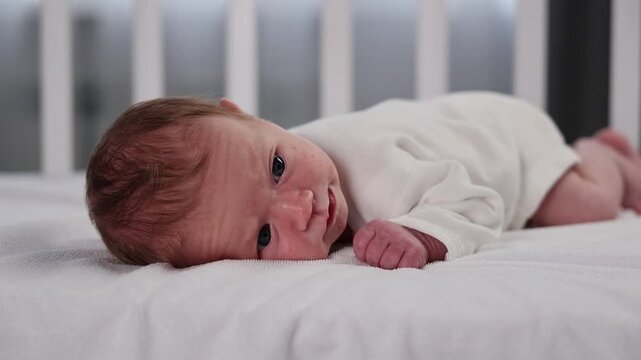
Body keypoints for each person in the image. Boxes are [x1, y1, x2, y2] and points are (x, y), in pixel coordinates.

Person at [86, 92, 641, 270]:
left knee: (583, 205)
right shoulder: (264, 156)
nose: (299, 209)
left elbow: (478, 201)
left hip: (509, 141)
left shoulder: (380, 174)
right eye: (262, 237)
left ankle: (602, 155)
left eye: (278, 168)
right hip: (458, 121)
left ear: (250, 117)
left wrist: (420, 233)